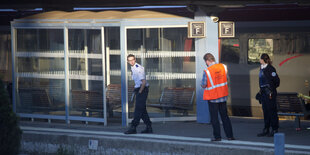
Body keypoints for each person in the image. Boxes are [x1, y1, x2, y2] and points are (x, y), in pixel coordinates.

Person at [201, 53, 235, 141]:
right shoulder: (223, 67)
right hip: (223, 96)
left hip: (213, 98)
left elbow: (203, 84)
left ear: (207, 61)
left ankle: (217, 137)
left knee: (214, 118)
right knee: (225, 117)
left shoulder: (207, 71)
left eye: (205, 61)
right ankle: (230, 136)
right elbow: (226, 78)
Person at [124, 54, 153, 134]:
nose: (131, 61)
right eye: (129, 60)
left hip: (142, 89)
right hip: (139, 89)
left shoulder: (138, 68)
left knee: (137, 109)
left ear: (135, 59)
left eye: (132, 59)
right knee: (142, 110)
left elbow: (143, 82)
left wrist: (140, 92)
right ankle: (149, 127)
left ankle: (133, 127)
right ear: (127, 61)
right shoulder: (133, 68)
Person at [257, 53, 280, 137]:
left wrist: (271, 88)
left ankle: (274, 129)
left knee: (272, 111)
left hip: (270, 93)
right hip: (263, 92)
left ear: (263, 60)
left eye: (260, 59)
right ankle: (266, 128)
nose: (259, 60)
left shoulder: (271, 69)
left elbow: (277, 81)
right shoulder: (261, 68)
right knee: (266, 111)